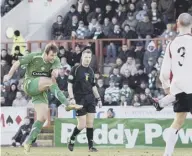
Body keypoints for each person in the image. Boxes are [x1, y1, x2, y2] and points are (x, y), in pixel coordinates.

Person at [3, 42, 82, 153]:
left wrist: (55, 72)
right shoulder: (34, 56)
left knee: (42, 117)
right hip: (29, 84)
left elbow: (56, 71)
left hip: (40, 90)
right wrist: (9, 75)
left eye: (55, 56)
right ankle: (67, 104)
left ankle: (28, 142)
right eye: (51, 55)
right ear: (45, 53)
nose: (53, 58)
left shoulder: (55, 60)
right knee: (49, 82)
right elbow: (17, 63)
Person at [153, 13, 192, 156]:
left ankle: (167, 154)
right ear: (191, 25)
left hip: (179, 87)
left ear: (178, 24)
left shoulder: (171, 44)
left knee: (178, 122)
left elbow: (164, 72)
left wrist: (167, 88)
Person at [67, 49, 102, 152]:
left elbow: (93, 86)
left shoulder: (91, 71)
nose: (87, 59)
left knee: (90, 123)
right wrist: (72, 98)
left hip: (90, 99)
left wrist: (98, 99)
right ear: (82, 57)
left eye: (89, 58)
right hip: (79, 99)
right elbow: (69, 85)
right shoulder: (75, 69)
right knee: (82, 125)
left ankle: (91, 147)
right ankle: (72, 139)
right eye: (86, 57)